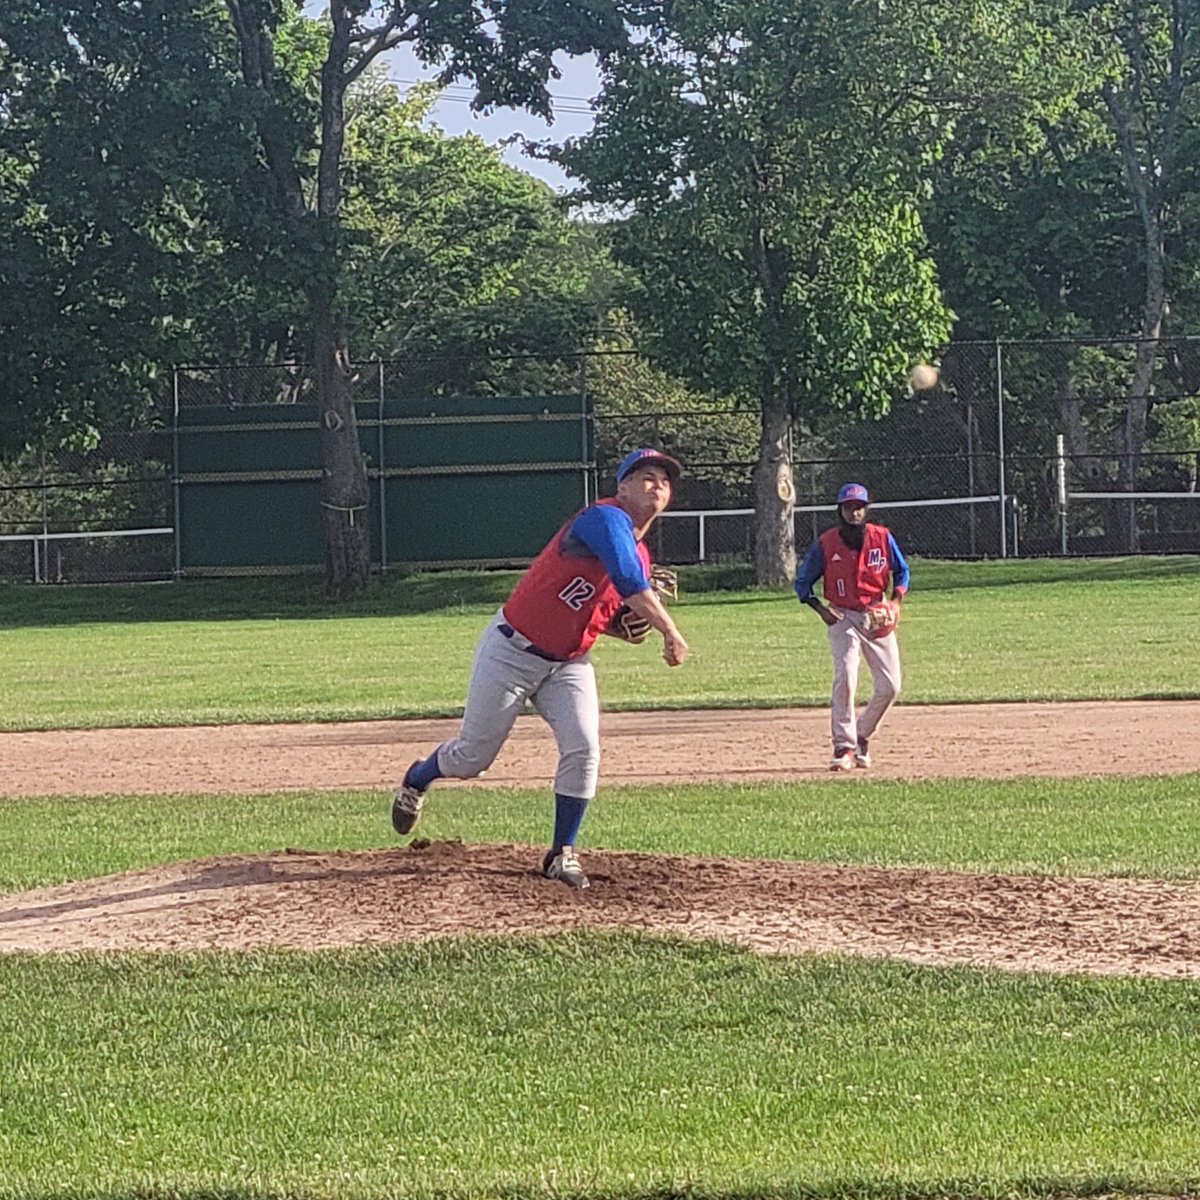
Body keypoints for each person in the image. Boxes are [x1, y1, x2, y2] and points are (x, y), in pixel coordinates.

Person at [391, 448, 690, 889]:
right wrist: (670, 630)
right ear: (621, 487)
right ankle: (418, 778)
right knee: (473, 757)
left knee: (584, 747)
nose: (657, 485)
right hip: (511, 651)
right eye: (645, 476)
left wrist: (619, 628)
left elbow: (596, 606)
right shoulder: (602, 519)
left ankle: (560, 853)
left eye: (664, 481)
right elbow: (627, 578)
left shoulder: (642, 554)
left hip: (568, 663)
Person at [794, 482, 910, 771]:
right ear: (840, 510)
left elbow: (902, 571)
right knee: (846, 675)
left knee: (891, 685)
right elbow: (803, 582)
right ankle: (844, 746)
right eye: (848, 507)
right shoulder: (827, 542)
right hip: (842, 615)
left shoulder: (882, 537)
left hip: (877, 612)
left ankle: (862, 734)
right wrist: (820, 609)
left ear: (866, 509)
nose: (854, 511)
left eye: (859, 506)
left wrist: (895, 602)